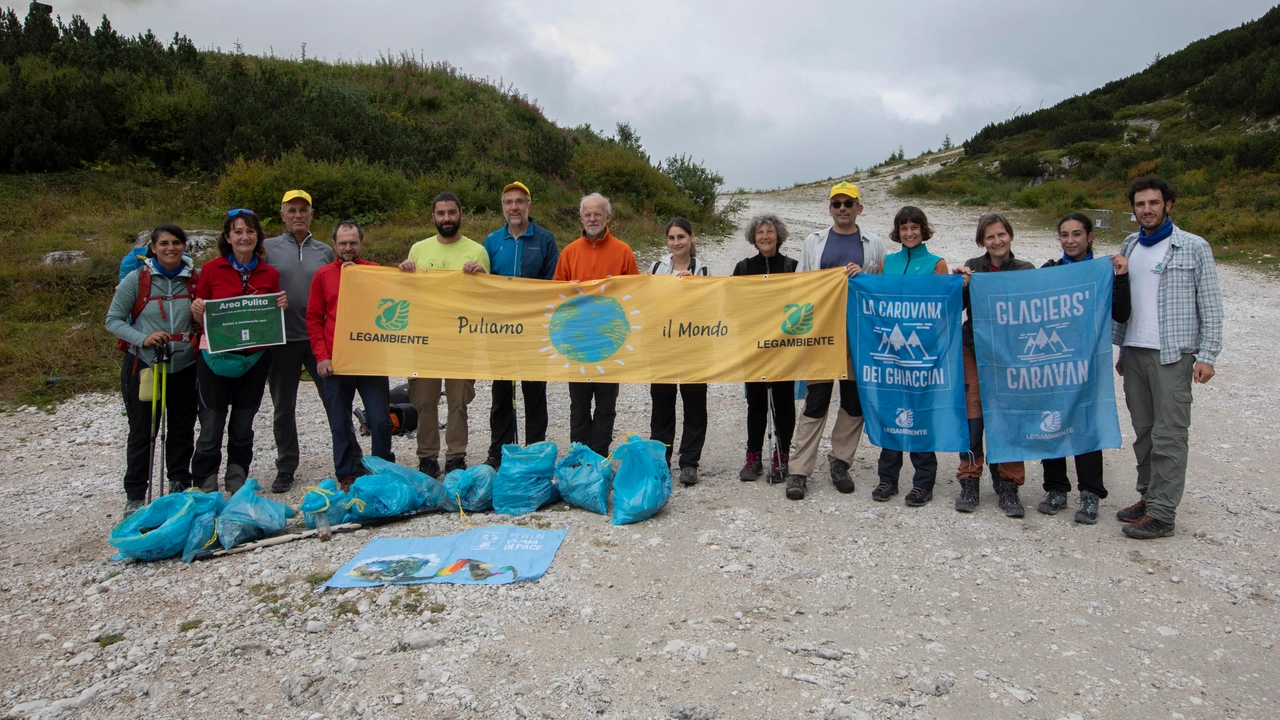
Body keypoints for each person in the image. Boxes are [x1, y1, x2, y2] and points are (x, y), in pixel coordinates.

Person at [1112, 176, 1222, 539]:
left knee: (1169, 435)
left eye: (1154, 203)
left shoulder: (1193, 247)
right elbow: (1123, 301)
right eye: (1140, 204)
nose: (1147, 210)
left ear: (1168, 205)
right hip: (1135, 352)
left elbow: (1211, 306)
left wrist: (1207, 355)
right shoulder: (1129, 245)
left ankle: (1162, 513)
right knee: (1144, 433)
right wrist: (1120, 348)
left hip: (1173, 356)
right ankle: (1148, 497)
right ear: (1134, 209)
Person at [786, 181, 886, 501]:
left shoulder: (874, 244)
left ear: (860, 207)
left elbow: (883, 288)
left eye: (848, 203)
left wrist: (865, 276)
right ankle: (800, 470)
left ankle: (840, 462)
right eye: (836, 204)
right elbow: (801, 284)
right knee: (816, 401)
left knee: (853, 401)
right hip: (822, 333)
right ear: (830, 208)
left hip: (859, 333)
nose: (842, 209)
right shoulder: (814, 242)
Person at [1036, 212, 1132, 524]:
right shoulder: (1048, 271)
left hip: (1087, 361)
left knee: (1086, 423)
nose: (1070, 240)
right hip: (1052, 361)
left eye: (1077, 234)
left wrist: (1121, 277)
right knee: (1052, 422)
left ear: (1090, 237)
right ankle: (1055, 488)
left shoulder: (1103, 270)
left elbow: (1121, 313)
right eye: (1064, 234)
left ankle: (1090, 492)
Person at [190, 209, 287, 495]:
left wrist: (280, 306)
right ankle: (205, 485)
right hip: (215, 359)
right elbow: (201, 317)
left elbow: (271, 317)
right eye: (238, 231)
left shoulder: (270, 273)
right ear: (227, 237)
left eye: (250, 231)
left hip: (255, 360)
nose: (245, 237)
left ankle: (237, 480)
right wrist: (197, 311)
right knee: (211, 426)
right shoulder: (210, 269)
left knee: (243, 425)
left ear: (258, 236)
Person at [105, 225, 200, 515]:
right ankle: (135, 495)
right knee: (143, 431)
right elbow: (113, 319)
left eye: (176, 243)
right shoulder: (136, 280)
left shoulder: (195, 279)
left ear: (185, 247)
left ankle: (179, 484)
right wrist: (142, 339)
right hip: (145, 364)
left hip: (185, 365)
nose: (170, 248)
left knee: (182, 430)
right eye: (163, 244)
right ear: (153, 248)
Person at [398, 191, 490, 478]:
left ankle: (455, 456)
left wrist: (481, 276)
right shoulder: (418, 249)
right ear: (433, 217)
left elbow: (489, 297)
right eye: (441, 213)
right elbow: (405, 295)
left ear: (460, 214)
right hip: (424, 338)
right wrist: (403, 273)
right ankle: (426, 457)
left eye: (452, 212)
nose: (447, 218)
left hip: (460, 340)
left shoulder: (476, 251)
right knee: (424, 401)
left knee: (457, 402)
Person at [471, 181, 560, 469]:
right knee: (501, 395)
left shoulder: (545, 240)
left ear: (529, 206)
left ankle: (535, 451)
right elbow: (484, 282)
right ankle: (498, 452)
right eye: (508, 202)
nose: (514, 207)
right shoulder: (492, 240)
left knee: (534, 394)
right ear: (502, 207)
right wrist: (476, 274)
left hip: (534, 332)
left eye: (519, 201)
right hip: (501, 332)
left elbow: (553, 284)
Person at [952, 212, 1034, 517]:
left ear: (1010, 236)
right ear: (981, 242)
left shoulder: (1025, 269)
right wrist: (960, 285)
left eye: (1001, 234)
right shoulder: (973, 267)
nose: (997, 241)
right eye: (990, 237)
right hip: (975, 348)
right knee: (973, 410)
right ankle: (969, 477)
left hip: (1011, 353)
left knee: (1008, 412)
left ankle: (1009, 482)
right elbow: (955, 309)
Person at [869, 206, 948, 507]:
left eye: (915, 227)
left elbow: (944, 309)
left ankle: (923, 483)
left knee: (920, 417)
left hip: (922, 357)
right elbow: (873, 302)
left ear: (924, 229)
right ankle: (887, 478)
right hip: (890, 356)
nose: (909, 233)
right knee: (890, 414)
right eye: (904, 228)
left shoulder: (936, 264)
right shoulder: (886, 263)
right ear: (897, 232)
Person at [307, 220, 393, 490]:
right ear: (334, 244)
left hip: (370, 359)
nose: (347, 247)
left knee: (380, 420)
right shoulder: (323, 275)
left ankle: (383, 466)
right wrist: (321, 356)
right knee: (340, 421)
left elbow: (395, 301)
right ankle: (347, 472)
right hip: (337, 361)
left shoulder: (376, 272)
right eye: (342, 243)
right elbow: (313, 319)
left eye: (353, 242)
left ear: (361, 244)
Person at [553, 192, 640, 457]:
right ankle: (579, 456)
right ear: (580, 218)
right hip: (577, 342)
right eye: (588, 214)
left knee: (605, 405)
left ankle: (600, 456)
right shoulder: (569, 252)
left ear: (608, 217)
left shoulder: (623, 251)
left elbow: (637, 294)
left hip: (610, 342)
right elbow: (554, 295)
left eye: (597, 214)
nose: (592, 219)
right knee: (578, 405)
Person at [264, 189, 334, 493]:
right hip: (282, 339)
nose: (297, 215)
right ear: (282, 215)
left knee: (334, 401)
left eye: (303, 210)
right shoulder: (266, 248)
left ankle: (348, 457)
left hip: (318, 338)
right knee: (283, 407)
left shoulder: (324, 251)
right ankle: (286, 466)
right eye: (291, 210)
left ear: (311, 214)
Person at [732, 213, 798, 484]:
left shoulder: (793, 266)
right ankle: (754, 455)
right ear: (753, 238)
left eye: (770, 232)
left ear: (778, 235)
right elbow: (731, 304)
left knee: (784, 401)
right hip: (753, 346)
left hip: (785, 346)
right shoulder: (744, 267)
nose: (765, 237)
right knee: (756, 402)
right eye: (760, 233)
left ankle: (781, 455)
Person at [647, 217, 710, 485]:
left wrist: (695, 286)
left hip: (694, 346)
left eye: (681, 237)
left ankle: (689, 462)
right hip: (663, 345)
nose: (676, 243)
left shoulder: (703, 269)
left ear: (691, 238)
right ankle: (661, 459)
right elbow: (647, 302)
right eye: (672, 238)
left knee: (694, 404)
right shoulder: (656, 267)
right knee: (662, 404)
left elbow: (711, 307)